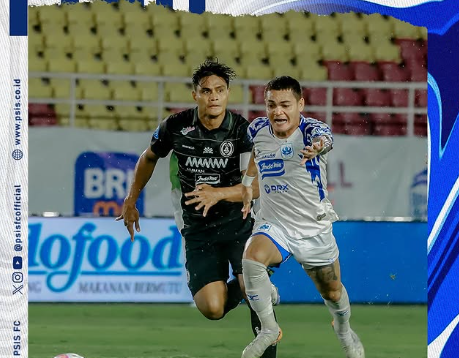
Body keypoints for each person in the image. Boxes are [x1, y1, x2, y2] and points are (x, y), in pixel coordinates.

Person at [116, 59, 278, 358]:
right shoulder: (175, 126)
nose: (213, 96)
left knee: (256, 294)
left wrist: (218, 194)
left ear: (228, 93)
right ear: (196, 95)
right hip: (196, 228)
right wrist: (131, 198)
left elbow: (257, 187)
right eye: (206, 91)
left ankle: (257, 292)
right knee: (213, 309)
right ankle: (255, 286)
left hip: (238, 222)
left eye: (219, 90)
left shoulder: (242, 131)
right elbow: (149, 157)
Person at [239, 76, 365, 358]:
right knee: (251, 257)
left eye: (285, 105)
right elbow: (256, 154)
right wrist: (247, 184)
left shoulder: (311, 130)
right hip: (275, 225)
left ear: (300, 104)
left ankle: (344, 329)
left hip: (313, 229)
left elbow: (326, 138)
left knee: (332, 293)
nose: (277, 112)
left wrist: (318, 147)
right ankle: (269, 329)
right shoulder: (258, 128)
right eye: (271, 105)